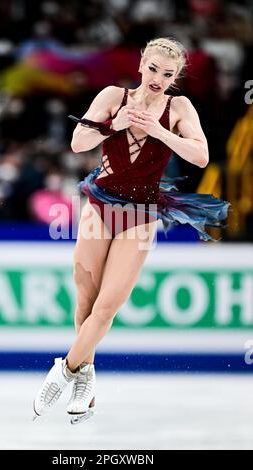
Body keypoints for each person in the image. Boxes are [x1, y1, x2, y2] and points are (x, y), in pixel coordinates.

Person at [33, 37, 230, 424]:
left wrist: (160, 132)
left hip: (140, 213)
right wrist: (113, 125)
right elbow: (77, 143)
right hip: (101, 204)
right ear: (142, 63)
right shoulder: (112, 96)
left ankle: (65, 371)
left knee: (107, 306)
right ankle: (86, 380)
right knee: (85, 300)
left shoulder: (179, 107)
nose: (158, 78)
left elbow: (201, 155)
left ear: (176, 77)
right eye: (154, 68)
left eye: (168, 74)